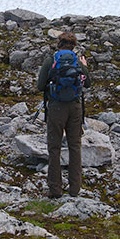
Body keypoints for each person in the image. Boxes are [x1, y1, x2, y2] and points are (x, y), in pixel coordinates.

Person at [36, 31, 91, 199]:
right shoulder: (77, 62)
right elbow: (87, 83)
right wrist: (85, 66)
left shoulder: (51, 61)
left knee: (54, 148)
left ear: (58, 44)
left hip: (55, 108)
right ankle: (74, 189)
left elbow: (40, 86)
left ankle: (55, 190)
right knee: (75, 147)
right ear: (74, 45)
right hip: (75, 107)